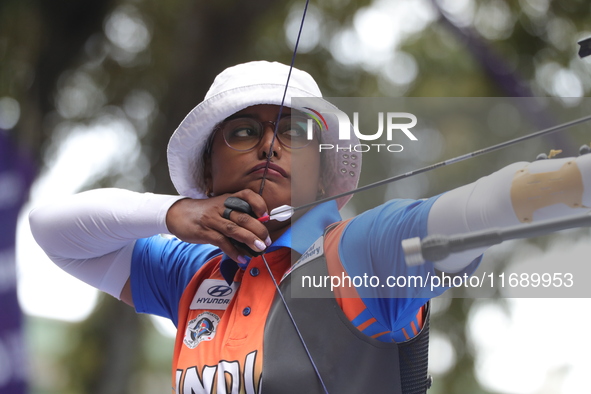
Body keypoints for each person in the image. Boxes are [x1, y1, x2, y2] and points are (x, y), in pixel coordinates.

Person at [29, 61, 591, 394]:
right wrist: (174, 214)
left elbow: (476, 209)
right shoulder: (192, 274)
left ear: (324, 176)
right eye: (244, 131)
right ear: (207, 168)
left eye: (294, 131)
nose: (270, 144)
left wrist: (569, 181)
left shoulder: (360, 255)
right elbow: (51, 229)